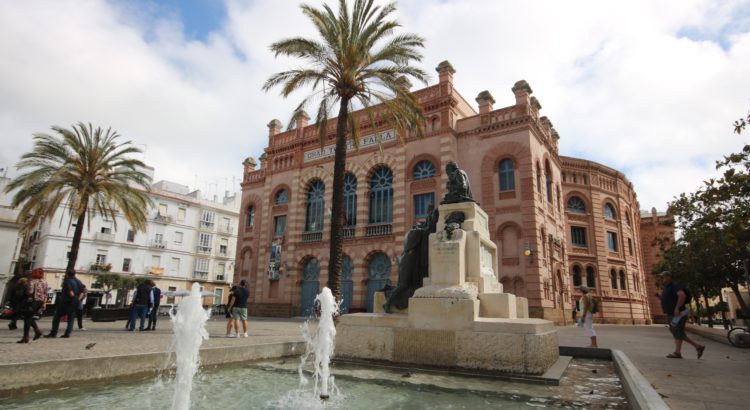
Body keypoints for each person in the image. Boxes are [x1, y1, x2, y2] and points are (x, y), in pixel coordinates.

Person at [658, 271, 705, 359]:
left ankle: (677, 353)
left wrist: (677, 308)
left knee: (676, 330)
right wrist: (660, 298)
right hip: (672, 313)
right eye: (660, 277)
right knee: (676, 331)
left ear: (669, 277)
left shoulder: (675, 285)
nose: (661, 279)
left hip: (678, 313)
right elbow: (670, 299)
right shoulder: (667, 287)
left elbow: (682, 295)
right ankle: (698, 347)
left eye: (662, 277)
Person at [45, 269, 82, 338]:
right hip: (75, 301)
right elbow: (82, 292)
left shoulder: (67, 281)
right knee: (71, 318)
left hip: (66, 302)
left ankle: (54, 332)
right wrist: (77, 300)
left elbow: (71, 292)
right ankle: (67, 333)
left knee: (57, 316)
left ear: (67, 274)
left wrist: (72, 297)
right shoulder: (78, 281)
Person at [18, 269, 48, 343]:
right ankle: (30, 335)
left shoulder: (32, 281)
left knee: (27, 318)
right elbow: (46, 293)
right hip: (40, 301)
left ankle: (28, 336)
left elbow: (30, 291)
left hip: (32, 301)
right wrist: (44, 303)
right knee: (28, 317)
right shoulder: (45, 282)